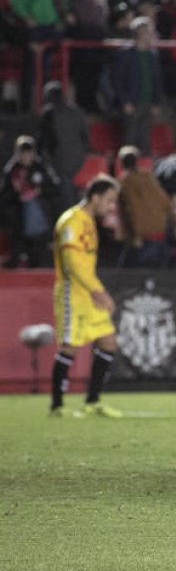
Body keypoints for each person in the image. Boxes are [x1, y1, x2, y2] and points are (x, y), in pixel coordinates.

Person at [49, 174, 123, 417]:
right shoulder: (72, 222)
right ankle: (57, 406)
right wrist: (98, 292)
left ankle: (93, 401)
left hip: (88, 291)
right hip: (74, 292)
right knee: (69, 346)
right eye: (109, 201)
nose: (112, 207)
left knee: (108, 342)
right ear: (95, 197)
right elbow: (72, 263)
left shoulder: (88, 221)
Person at [115, 146, 176, 268]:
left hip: (142, 238)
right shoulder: (149, 178)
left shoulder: (125, 183)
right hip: (160, 235)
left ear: (121, 163)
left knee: (125, 275)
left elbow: (133, 210)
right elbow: (165, 201)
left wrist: (136, 235)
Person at [1, 135, 59, 268]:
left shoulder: (41, 167)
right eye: (22, 154)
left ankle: (38, 259)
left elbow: (54, 189)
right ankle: (16, 257)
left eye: (28, 153)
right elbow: (4, 194)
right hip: (18, 214)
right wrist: (17, 194)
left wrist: (39, 191)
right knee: (14, 218)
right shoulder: (12, 169)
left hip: (39, 213)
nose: (25, 157)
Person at [110, 17, 163, 151]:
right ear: (141, 34)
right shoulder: (125, 55)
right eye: (149, 32)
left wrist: (156, 101)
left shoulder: (152, 56)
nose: (152, 35)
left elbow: (156, 80)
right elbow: (118, 80)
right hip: (132, 102)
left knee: (145, 138)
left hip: (147, 101)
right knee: (130, 137)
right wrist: (124, 101)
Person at [38, 82, 88, 213]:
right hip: (77, 159)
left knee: (65, 196)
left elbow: (44, 140)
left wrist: (46, 161)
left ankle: (70, 221)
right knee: (70, 191)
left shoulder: (48, 113)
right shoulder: (77, 112)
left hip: (59, 160)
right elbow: (85, 138)